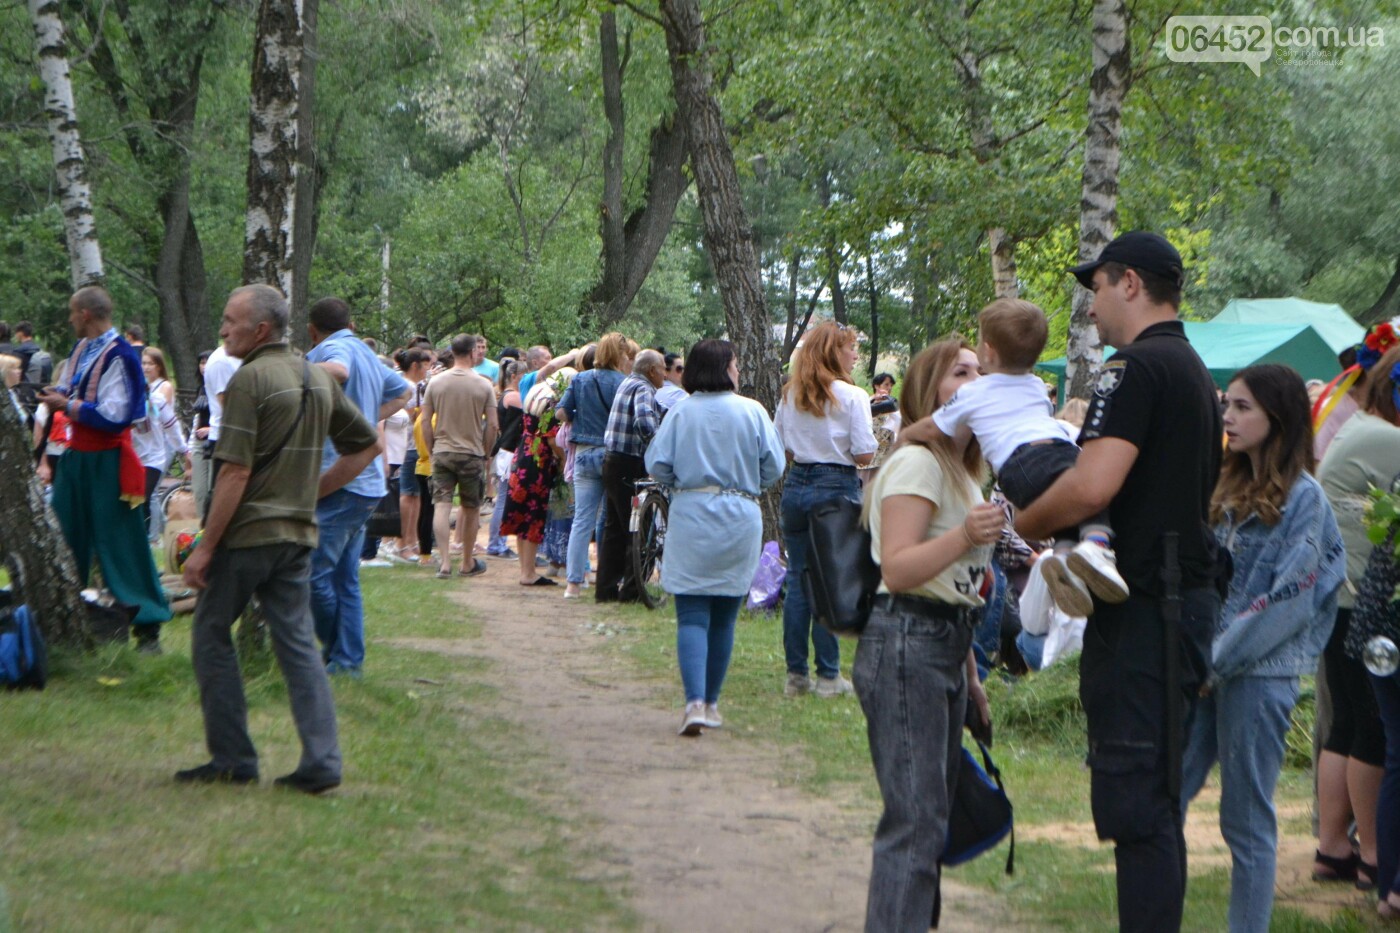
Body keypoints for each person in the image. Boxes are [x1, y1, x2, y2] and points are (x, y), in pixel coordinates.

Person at [1016, 231, 1223, 932]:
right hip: (1176, 600)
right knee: (1154, 802)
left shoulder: (1133, 369)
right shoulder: (1191, 366)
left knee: (1139, 806)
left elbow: (1092, 483)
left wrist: (1025, 518)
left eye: (1096, 287)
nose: (1092, 305)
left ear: (1129, 282)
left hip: (1148, 612)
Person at [176, 284, 381, 793]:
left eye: (230, 320)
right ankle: (323, 762)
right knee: (298, 647)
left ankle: (232, 758)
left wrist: (204, 547)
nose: (222, 329)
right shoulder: (314, 374)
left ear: (260, 329)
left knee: (209, 634)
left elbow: (233, 475)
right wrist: (309, 495)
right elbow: (367, 446)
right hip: (297, 536)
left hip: (249, 536)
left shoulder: (249, 381)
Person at [1181, 364, 1344, 933]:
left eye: (1243, 407)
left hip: (1258, 673)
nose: (1228, 415)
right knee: (1163, 795)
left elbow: (1289, 600)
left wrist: (1217, 660)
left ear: (1278, 418)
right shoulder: (1218, 484)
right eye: (1228, 403)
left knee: (1245, 822)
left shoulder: (1306, 502)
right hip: (1202, 669)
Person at [855, 338, 1002, 930]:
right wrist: (966, 534)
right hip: (905, 642)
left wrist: (971, 677)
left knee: (930, 819)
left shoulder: (966, 471)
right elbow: (899, 568)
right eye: (959, 372)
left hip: (942, 645)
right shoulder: (918, 464)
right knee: (914, 824)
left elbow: (960, 585)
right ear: (929, 391)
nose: (976, 380)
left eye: (981, 372)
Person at [908, 298, 1128, 617]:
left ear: (990, 351)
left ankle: (1076, 557)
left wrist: (904, 437)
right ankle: (1089, 550)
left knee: (1073, 504)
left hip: (1018, 468)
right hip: (1057, 451)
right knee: (1087, 500)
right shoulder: (1038, 386)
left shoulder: (974, 393)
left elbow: (933, 426)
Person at [645, 339, 784, 735]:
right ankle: (712, 702)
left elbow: (657, 463)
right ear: (724, 368)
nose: (739, 372)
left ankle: (693, 703)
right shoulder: (753, 412)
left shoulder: (680, 412)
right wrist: (745, 482)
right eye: (736, 365)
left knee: (691, 613)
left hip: (692, 513)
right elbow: (773, 466)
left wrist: (684, 483)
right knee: (724, 615)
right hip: (740, 515)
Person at [37, 287, 172, 651]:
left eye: (71, 313)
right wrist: (55, 397)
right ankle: (64, 616)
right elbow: (72, 389)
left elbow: (117, 416)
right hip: (76, 457)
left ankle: (148, 627)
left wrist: (67, 404)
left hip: (109, 461)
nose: (68, 320)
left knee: (121, 541)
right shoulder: (82, 348)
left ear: (84, 314)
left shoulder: (122, 355)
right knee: (63, 533)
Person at [1315, 342, 1400, 890]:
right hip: (1364, 605)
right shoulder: (1388, 439)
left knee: (1347, 721)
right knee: (1372, 727)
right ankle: (1374, 853)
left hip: (1340, 599)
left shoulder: (1361, 427)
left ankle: (1334, 846)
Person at [304, 297, 412, 676]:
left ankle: (339, 652)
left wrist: (296, 376)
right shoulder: (366, 352)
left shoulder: (329, 350)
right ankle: (347, 662)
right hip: (366, 482)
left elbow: (336, 370)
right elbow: (403, 392)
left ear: (311, 330)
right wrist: (368, 418)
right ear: (350, 322)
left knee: (312, 571)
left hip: (341, 477)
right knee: (345, 579)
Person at [775, 321, 877, 697]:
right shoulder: (853, 397)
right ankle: (829, 675)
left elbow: (782, 444)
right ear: (835, 352)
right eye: (850, 348)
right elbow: (865, 452)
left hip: (798, 484)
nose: (855, 355)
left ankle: (796, 674)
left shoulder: (791, 395)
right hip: (836, 488)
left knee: (799, 579)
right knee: (828, 583)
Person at [557, 333, 635, 599]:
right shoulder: (624, 383)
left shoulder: (579, 379)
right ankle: (607, 577)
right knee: (608, 520)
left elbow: (562, 412)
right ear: (618, 354)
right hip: (611, 455)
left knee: (582, 519)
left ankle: (573, 584)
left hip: (583, 453)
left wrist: (581, 415)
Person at [421, 333, 498, 579]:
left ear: (452, 352)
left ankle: (444, 562)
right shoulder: (483, 384)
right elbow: (494, 425)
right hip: (471, 452)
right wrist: (486, 453)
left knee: (441, 505)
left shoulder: (436, 383)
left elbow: (425, 421)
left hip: (442, 450)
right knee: (471, 506)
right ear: (474, 351)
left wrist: (432, 447)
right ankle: (466, 561)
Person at [597, 349, 665, 603]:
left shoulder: (627, 382)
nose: (665, 375)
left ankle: (605, 590)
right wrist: (660, 448)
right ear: (651, 371)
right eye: (662, 369)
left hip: (611, 459)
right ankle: (632, 591)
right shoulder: (645, 388)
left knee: (614, 528)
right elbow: (645, 424)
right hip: (629, 462)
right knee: (638, 528)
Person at [502, 369, 575, 586]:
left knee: (522, 514)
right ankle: (528, 573)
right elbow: (553, 440)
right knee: (534, 516)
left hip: (523, 455)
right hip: (539, 462)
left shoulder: (535, 393)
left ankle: (526, 569)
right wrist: (564, 462)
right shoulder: (552, 402)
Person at [394, 347, 434, 560]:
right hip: (407, 445)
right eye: (427, 364)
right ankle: (402, 543)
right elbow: (405, 414)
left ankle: (413, 540)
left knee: (416, 496)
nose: (429, 369)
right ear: (416, 365)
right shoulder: (406, 386)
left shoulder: (418, 386)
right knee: (408, 495)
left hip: (417, 446)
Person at [485, 360, 526, 560]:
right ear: (513, 377)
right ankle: (496, 544)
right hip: (510, 453)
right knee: (503, 500)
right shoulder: (515, 397)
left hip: (505, 451)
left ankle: (497, 542)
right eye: (523, 376)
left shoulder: (505, 396)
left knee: (503, 499)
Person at [199, 340, 242, 521]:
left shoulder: (237, 357)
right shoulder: (221, 361)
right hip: (226, 437)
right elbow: (229, 406)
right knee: (222, 498)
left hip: (238, 436)